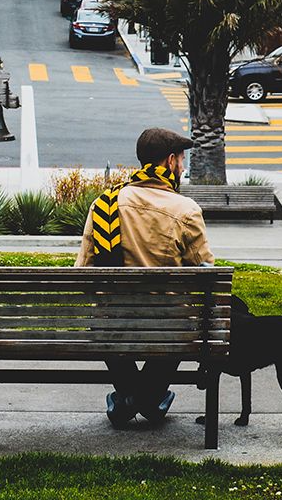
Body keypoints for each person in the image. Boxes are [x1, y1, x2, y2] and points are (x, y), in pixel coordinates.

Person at [76, 128, 214, 429]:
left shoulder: (105, 205)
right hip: (169, 330)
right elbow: (206, 275)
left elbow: (84, 271)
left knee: (105, 319)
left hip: (112, 327)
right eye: (181, 160)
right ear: (169, 162)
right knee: (180, 319)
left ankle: (127, 398)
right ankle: (148, 400)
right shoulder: (185, 210)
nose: (183, 166)